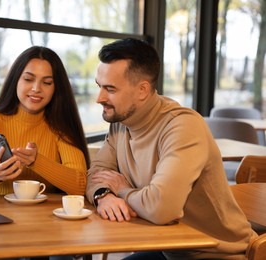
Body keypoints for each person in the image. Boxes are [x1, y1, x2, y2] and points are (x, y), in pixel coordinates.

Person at [85, 38, 257, 259]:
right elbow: (96, 174)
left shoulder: (182, 126)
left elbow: (161, 208)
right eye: (99, 86)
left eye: (110, 89)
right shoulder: (120, 122)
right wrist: (104, 195)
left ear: (142, 90)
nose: (100, 98)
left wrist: (122, 190)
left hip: (217, 253)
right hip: (170, 249)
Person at [0, 46, 89, 198]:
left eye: (47, 82)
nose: (36, 88)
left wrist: (36, 160)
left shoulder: (61, 125)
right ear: (16, 80)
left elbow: (81, 186)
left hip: (44, 219)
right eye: (28, 79)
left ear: (56, 88)